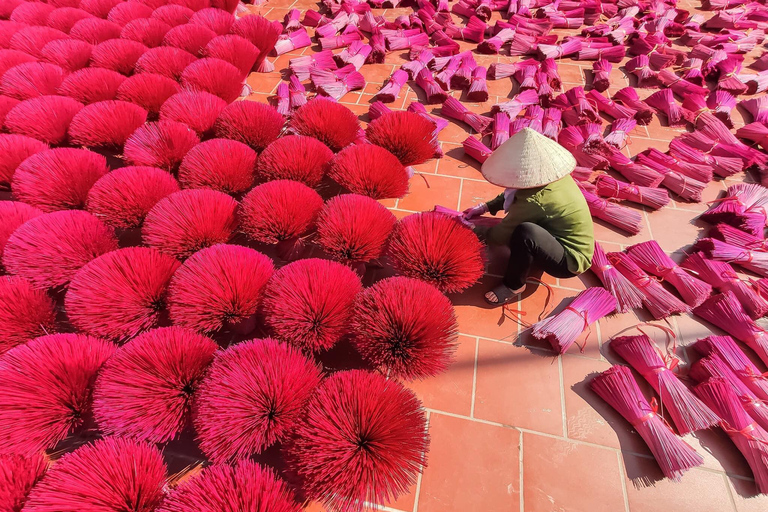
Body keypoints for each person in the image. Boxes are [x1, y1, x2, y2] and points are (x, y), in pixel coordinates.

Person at [462, 128, 594, 306]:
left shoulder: (535, 200)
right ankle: (535, 253)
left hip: (570, 260)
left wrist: (470, 229)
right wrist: (485, 207)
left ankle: (514, 285)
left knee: (525, 233)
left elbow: (500, 236)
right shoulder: (551, 175)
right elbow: (515, 192)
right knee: (526, 229)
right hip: (554, 236)